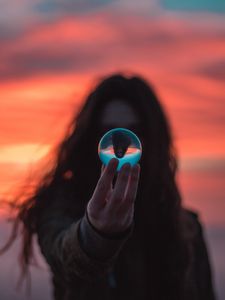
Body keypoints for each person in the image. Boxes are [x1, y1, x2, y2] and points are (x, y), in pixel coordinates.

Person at [1, 74, 216, 300]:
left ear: (153, 139)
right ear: (90, 138)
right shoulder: (62, 206)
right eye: (108, 131)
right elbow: (64, 253)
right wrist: (96, 233)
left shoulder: (187, 229)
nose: (121, 146)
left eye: (135, 131)